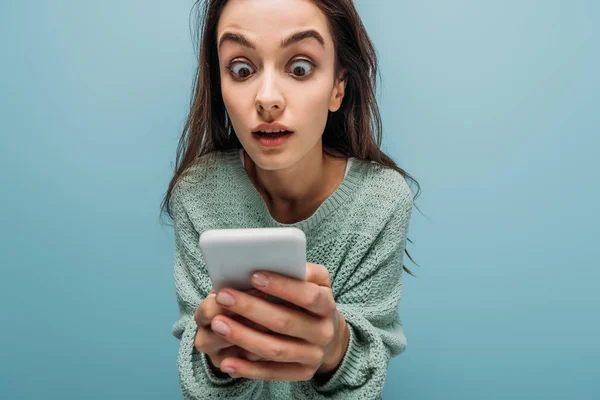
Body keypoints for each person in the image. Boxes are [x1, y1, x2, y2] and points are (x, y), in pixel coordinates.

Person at [161, 0, 421, 398]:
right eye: (242, 69)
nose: (267, 99)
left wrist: (335, 348)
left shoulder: (381, 201)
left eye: (300, 67)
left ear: (338, 86)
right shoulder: (198, 194)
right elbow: (200, 388)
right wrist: (216, 359)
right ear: (221, 86)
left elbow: (364, 383)